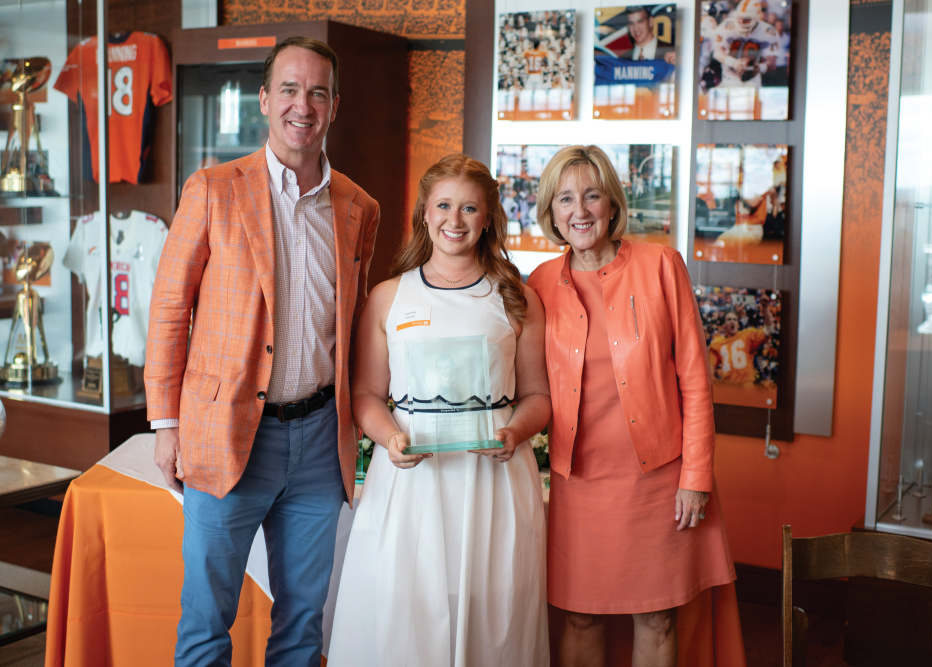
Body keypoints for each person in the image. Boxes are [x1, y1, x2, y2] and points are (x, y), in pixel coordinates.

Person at [144, 36, 380, 666]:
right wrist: (166, 424)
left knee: (304, 624)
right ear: (263, 99)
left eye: (318, 92)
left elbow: (354, 326)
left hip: (319, 445)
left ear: (334, 105)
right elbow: (170, 311)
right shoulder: (213, 189)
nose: (303, 105)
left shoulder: (359, 207)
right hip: (225, 434)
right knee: (207, 621)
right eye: (289, 89)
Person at [328, 154, 551, 666]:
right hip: (409, 480)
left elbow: (538, 396)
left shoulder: (517, 298)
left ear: (488, 217)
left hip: (492, 479)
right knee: (405, 608)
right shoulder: (387, 298)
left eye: (469, 208)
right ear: (424, 215)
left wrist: (515, 432)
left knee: (493, 612)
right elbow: (364, 394)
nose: (455, 220)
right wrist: (389, 438)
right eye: (444, 206)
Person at [526, 145, 741, 667]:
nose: (580, 211)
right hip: (577, 483)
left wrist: (697, 476)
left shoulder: (661, 266)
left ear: (612, 202)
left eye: (592, 195)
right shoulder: (537, 284)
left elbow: (695, 381)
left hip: (659, 481)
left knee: (657, 616)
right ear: (551, 213)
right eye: (565, 199)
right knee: (580, 615)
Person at [712, 0, 781, 88]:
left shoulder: (767, 31)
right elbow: (717, 52)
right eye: (739, 18)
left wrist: (759, 68)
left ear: (756, 17)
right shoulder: (728, 26)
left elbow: (772, 63)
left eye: (746, 19)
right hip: (729, 78)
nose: (741, 21)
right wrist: (734, 63)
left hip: (752, 81)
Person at [708, 297, 776, 386]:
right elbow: (710, 370)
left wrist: (766, 308)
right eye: (729, 319)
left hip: (746, 384)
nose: (732, 322)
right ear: (724, 325)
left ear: (738, 324)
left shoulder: (747, 335)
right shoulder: (716, 343)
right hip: (728, 386)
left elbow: (769, 330)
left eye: (735, 319)